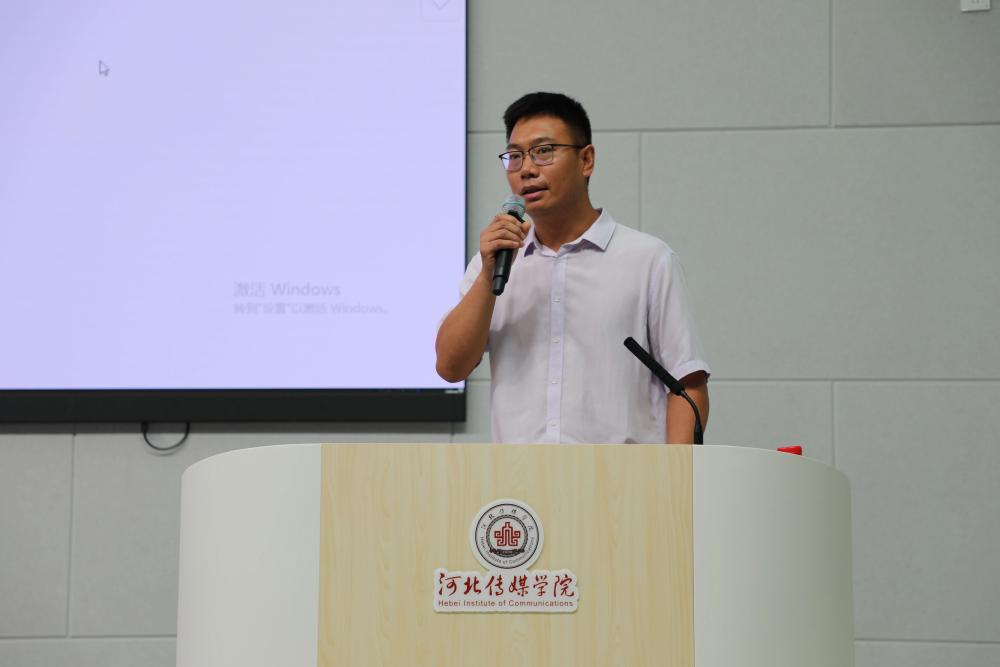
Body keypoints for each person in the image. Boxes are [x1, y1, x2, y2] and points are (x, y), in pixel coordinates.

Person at [436, 92, 710, 444]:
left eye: (543, 151)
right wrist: (488, 277)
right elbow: (450, 367)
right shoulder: (493, 263)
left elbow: (688, 385)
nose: (527, 169)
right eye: (515, 156)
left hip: (621, 475)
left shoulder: (648, 259)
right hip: (519, 476)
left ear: (586, 160)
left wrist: (674, 473)